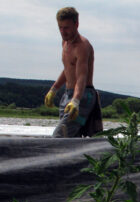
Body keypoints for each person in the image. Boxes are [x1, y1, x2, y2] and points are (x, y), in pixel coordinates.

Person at [44, 7, 102, 138]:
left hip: (83, 97)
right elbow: (68, 69)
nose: (63, 32)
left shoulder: (82, 46)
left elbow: (82, 76)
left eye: (67, 28)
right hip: (67, 95)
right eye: (60, 28)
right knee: (72, 139)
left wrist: (76, 100)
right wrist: (54, 89)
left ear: (76, 24)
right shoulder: (65, 42)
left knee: (60, 136)